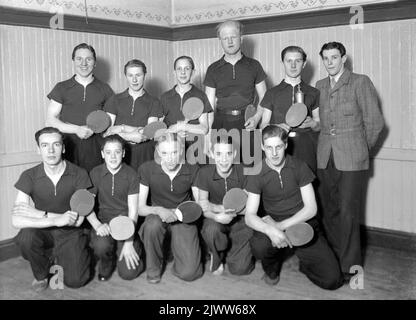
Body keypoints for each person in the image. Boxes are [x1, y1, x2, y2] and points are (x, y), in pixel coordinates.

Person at [315, 42, 384, 281]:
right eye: (325, 58)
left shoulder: (360, 82)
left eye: (334, 57)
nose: (329, 62)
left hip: (352, 160)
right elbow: (321, 124)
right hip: (325, 158)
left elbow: (375, 123)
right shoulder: (320, 85)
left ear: (343, 58)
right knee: (329, 210)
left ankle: (350, 267)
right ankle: (334, 259)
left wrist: (360, 150)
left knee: (348, 213)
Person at [245, 125, 342, 290]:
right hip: (274, 221)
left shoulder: (300, 166)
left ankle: (304, 263)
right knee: (259, 247)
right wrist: (271, 230)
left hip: (302, 223)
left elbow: (311, 209)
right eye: (269, 147)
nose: (274, 153)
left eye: (278, 147)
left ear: (286, 145)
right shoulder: (256, 172)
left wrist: (280, 227)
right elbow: (250, 216)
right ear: (262, 147)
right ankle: (272, 270)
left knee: (332, 280)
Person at [12, 127, 92, 291]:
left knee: (76, 281)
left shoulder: (79, 174)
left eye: (56, 145)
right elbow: (16, 220)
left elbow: (78, 221)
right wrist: (55, 219)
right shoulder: (29, 175)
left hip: (71, 232)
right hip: (44, 231)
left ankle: (65, 254)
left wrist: (41, 214)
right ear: (38, 149)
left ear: (63, 148)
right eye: (45, 145)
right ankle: (41, 273)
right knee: (25, 237)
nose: (50, 150)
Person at [137, 133, 203, 283]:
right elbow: (140, 208)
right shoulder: (146, 169)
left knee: (190, 273)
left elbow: (199, 205)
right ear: (158, 152)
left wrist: (181, 212)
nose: (170, 157)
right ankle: (154, 268)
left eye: (174, 152)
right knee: (152, 226)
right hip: (157, 214)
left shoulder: (192, 169)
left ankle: (175, 251)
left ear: (181, 150)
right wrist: (159, 210)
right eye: (165, 153)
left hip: (183, 216)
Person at [204, 20, 267, 164]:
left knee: (251, 171)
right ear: (220, 41)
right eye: (225, 38)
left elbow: (265, 97)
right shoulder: (213, 69)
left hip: (248, 123)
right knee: (222, 171)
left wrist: (257, 118)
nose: (230, 41)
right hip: (221, 124)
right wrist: (207, 136)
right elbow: (209, 105)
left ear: (241, 38)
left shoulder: (254, 66)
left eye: (233, 36)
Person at [46, 43, 114, 172]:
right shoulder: (61, 88)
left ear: (95, 63)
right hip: (67, 148)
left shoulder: (105, 89)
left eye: (88, 59)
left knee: (94, 189)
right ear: (73, 61)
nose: (84, 63)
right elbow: (50, 120)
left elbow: (111, 121)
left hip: (95, 151)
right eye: (79, 59)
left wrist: (95, 129)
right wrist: (77, 129)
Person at [87, 135, 144, 281]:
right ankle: (107, 262)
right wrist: (97, 225)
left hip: (126, 223)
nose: (113, 156)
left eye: (117, 152)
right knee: (101, 246)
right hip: (104, 221)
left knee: (128, 274)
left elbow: (133, 210)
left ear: (123, 153)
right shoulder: (95, 173)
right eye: (108, 152)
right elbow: (86, 205)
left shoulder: (132, 175)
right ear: (102, 154)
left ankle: (137, 248)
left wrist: (129, 242)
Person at [196, 134, 254, 275]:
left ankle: (230, 250)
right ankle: (216, 254)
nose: (223, 159)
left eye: (228, 154)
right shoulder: (204, 173)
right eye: (218, 154)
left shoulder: (245, 171)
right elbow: (203, 205)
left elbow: (250, 207)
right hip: (216, 220)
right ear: (211, 154)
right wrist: (216, 215)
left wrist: (219, 208)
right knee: (211, 229)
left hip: (240, 221)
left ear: (234, 154)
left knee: (241, 270)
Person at [260, 46, 320, 172]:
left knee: (307, 185)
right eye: (289, 61)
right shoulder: (272, 93)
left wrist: (313, 123)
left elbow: (319, 125)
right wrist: (276, 127)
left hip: (306, 147)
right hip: (279, 146)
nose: (293, 65)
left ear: (304, 64)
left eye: (297, 61)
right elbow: (263, 125)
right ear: (283, 63)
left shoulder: (314, 92)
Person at [103, 59, 163, 171]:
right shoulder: (114, 100)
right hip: (120, 156)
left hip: (145, 155)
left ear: (144, 75)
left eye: (138, 75)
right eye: (130, 75)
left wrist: (121, 128)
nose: (134, 79)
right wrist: (130, 136)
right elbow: (108, 133)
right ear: (125, 76)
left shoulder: (154, 102)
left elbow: (149, 133)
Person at [161, 56, 212, 164]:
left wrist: (182, 126)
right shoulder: (165, 97)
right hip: (172, 151)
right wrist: (172, 131)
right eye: (179, 69)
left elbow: (204, 129)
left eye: (187, 68)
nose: (183, 72)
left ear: (193, 72)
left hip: (195, 150)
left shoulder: (200, 96)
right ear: (174, 72)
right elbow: (159, 128)